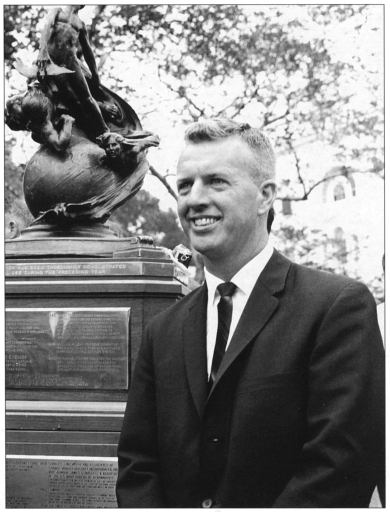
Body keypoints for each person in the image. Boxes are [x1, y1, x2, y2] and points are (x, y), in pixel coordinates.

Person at [116, 118, 385, 508]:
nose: (195, 199)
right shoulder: (163, 331)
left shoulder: (336, 308)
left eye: (216, 182)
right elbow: (138, 466)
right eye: (185, 185)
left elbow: (341, 467)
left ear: (265, 196)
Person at [34, 5, 109, 139]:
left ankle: (105, 130)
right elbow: (46, 27)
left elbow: (87, 50)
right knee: (72, 100)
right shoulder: (57, 11)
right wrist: (42, 52)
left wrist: (95, 74)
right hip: (53, 61)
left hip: (71, 61)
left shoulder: (80, 24)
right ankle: (90, 132)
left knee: (88, 98)